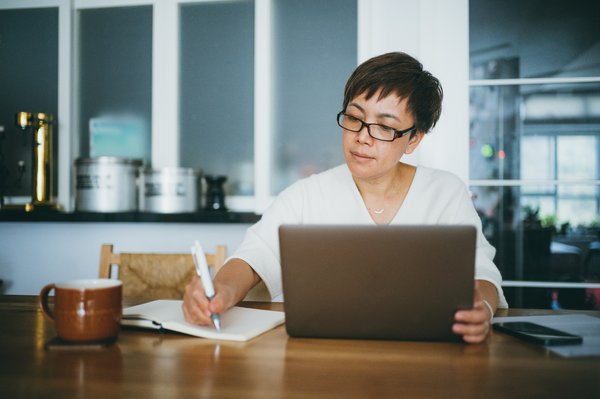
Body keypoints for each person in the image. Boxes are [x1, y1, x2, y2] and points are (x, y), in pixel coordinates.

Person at [183, 52, 508, 344]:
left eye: (384, 127)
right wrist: (221, 291)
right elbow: (253, 256)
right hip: (319, 358)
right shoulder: (306, 194)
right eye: (354, 118)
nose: (362, 138)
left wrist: (481, 307)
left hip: (426, 358)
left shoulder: (445, 192)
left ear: (413, 139)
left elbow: (482, 273)